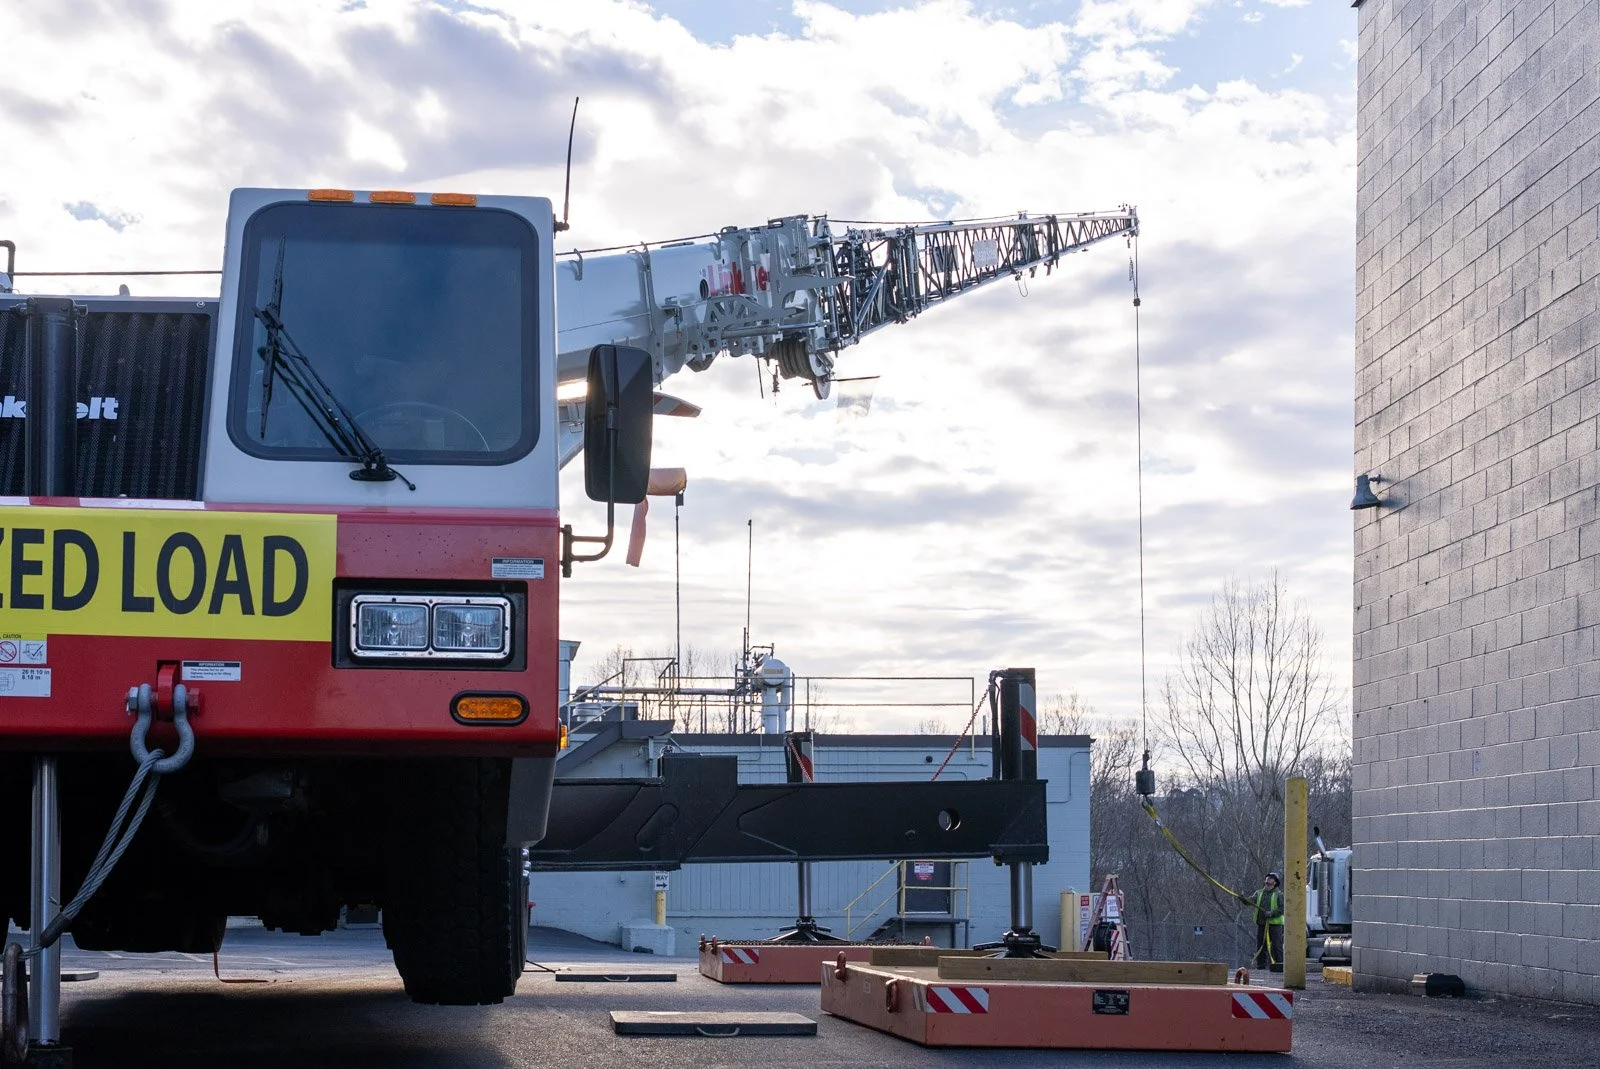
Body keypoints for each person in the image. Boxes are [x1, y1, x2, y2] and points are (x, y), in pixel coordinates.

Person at [1249, 872, 1285, 973]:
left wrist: (1272, 913)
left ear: (1275, 884)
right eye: (1266, 883)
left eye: (1270, 883)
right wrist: (1245, 900)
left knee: (1276, 946)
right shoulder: (1259, 893)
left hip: (1275, 925)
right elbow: (1251, 900)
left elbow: (1282, 909)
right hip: (1262, 924)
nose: (1267, 885)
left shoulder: (1279, 895)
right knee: (1261, 945)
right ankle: (1261, 966)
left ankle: (1279, 965)